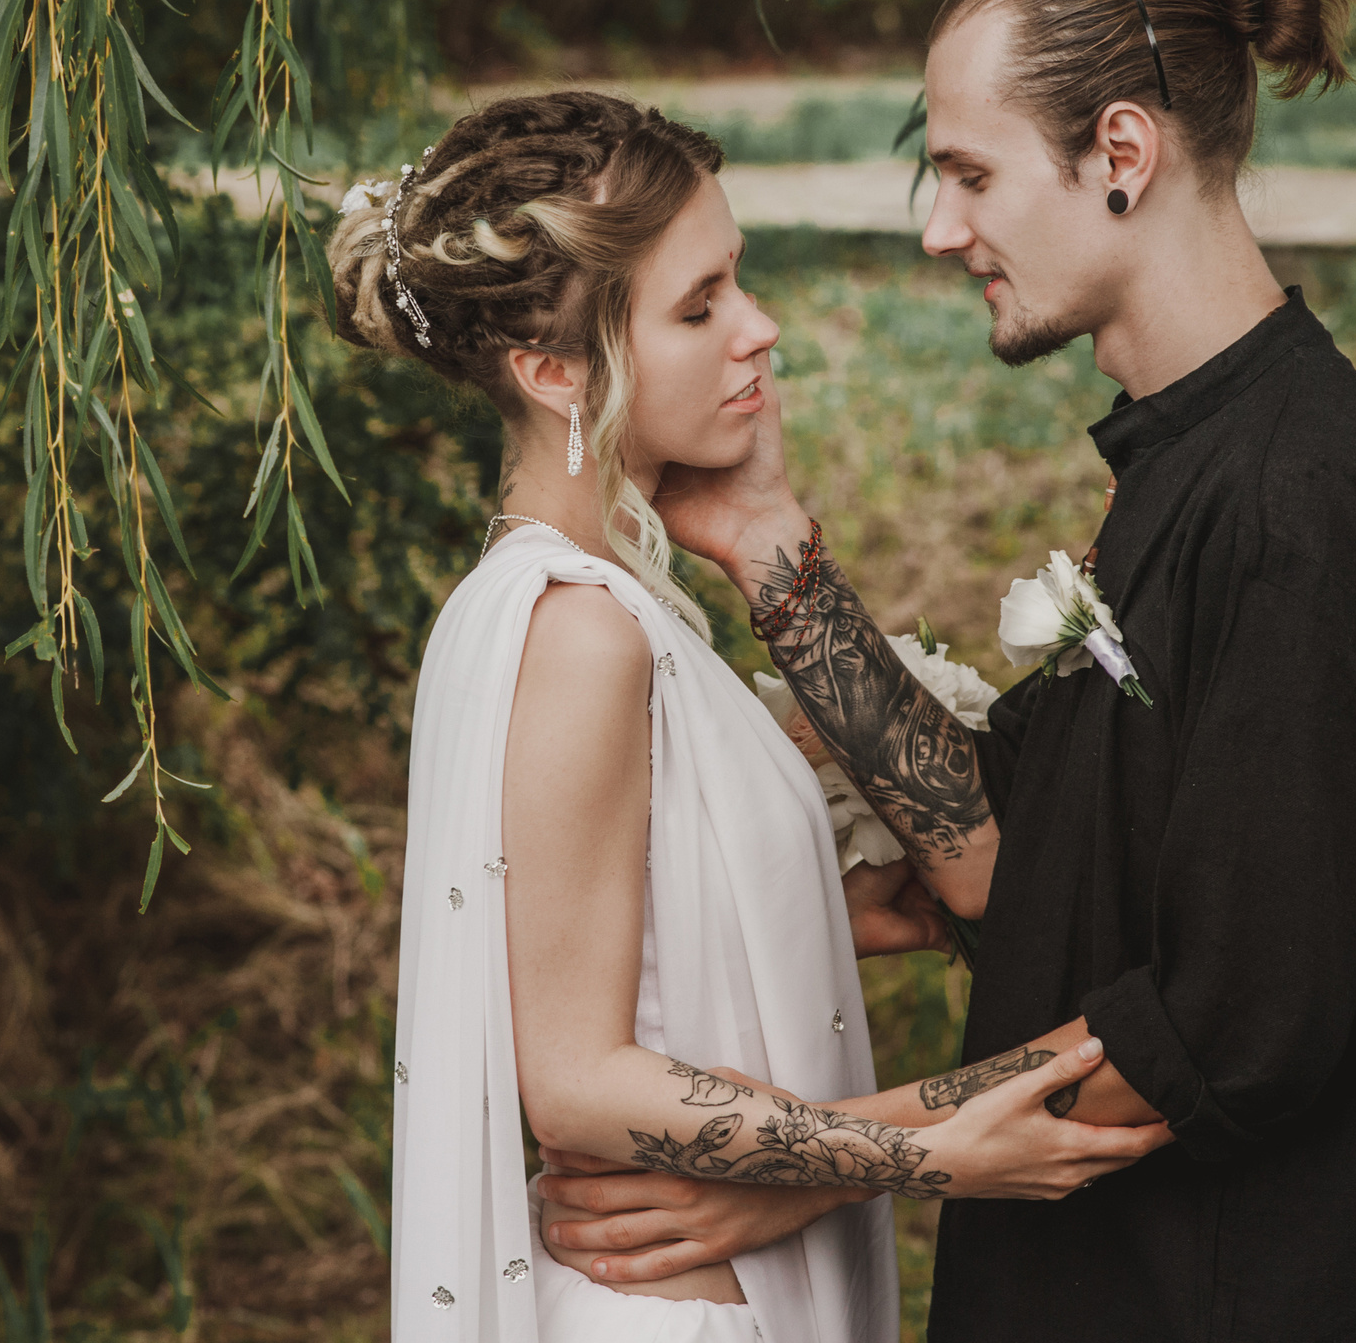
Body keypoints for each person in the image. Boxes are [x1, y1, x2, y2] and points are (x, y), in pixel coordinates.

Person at [549, 0, 1356, 1340]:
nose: (941, 231)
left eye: (969, 174)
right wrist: (772, 555)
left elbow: (1225, 1027)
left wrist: (818, 1169)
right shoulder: (1196, 468)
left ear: (1121, 153)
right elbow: (1008, 858)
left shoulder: (1293, 502)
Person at [332, 92, 1173, 1343]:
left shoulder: (566, 605)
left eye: (738, 282)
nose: (759, 329)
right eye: (700, 304)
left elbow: (601, 942)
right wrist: (926, 1150)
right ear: (556, 372)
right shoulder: (579, 632)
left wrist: (808, 914)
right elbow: (569, 1080)